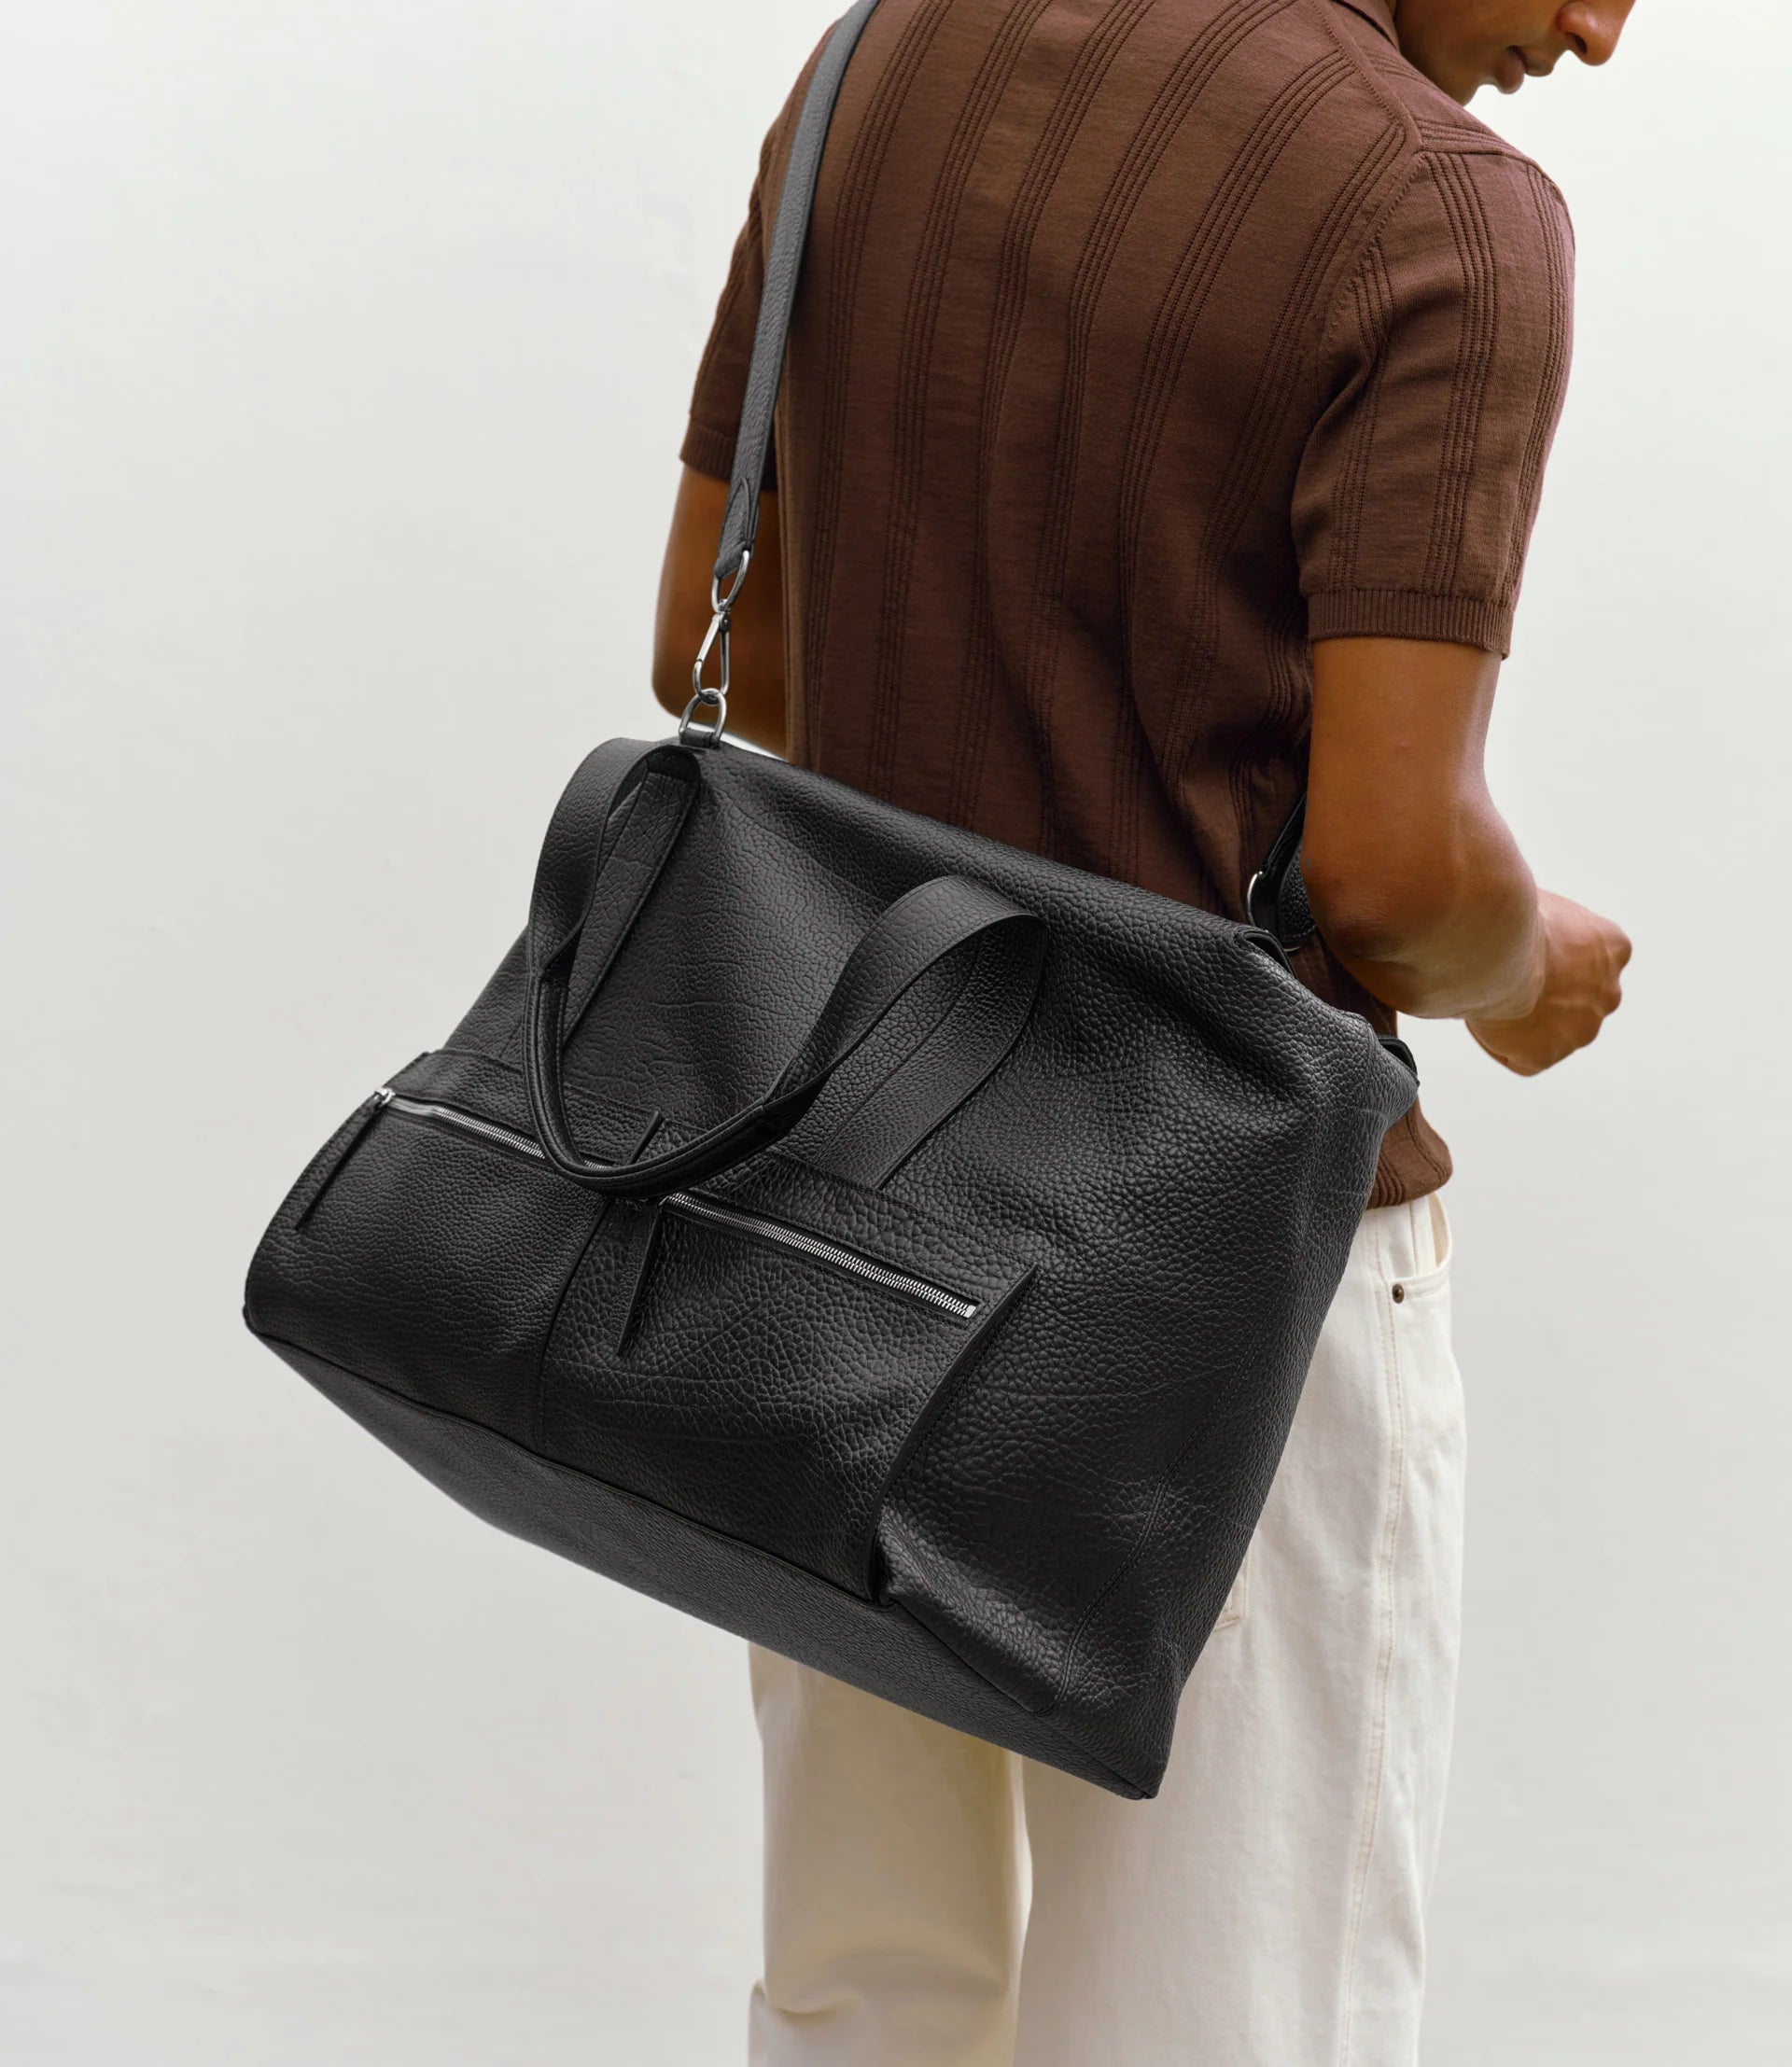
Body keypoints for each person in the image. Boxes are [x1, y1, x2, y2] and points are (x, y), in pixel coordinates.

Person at [652, 1, 1633, 2058]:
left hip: (845, 1203)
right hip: (1228, 1270)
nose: (1603, 31)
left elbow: (715, 643)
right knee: (1226, 2018)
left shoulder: (878, 58)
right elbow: (1390, 875)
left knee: (867, 1996)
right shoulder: (1441, 209)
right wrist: (1528, 960)